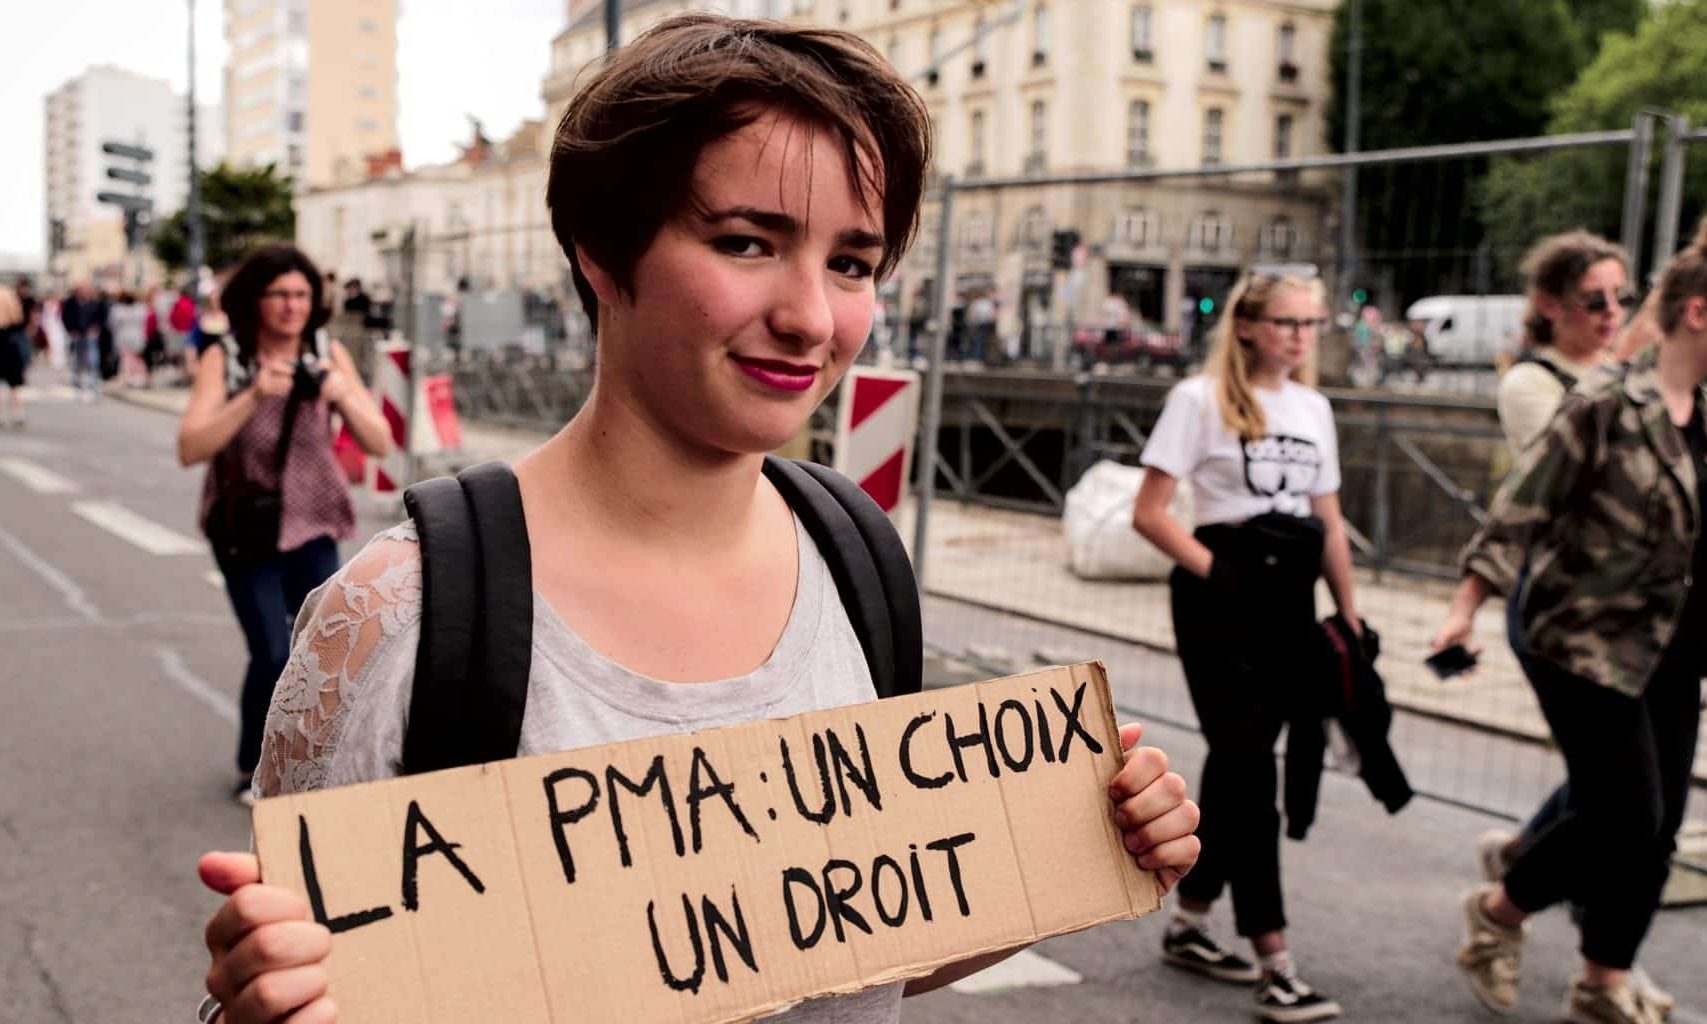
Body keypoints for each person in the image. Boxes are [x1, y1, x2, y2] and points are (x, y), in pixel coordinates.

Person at [193, 17, 1202, 1024]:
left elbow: (833, 944)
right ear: (599, 249)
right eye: (747, 242)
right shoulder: (397, 616)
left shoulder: (855, 558)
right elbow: (328, 983)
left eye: (852, 263)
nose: (811, 315)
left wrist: (1062, 856)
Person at [1435, 212, 1707, 1024]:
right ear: (1698, 314)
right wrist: (1463, 611)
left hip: (1670, 649)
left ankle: (1601, 981)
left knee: (1658, 833)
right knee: (1627, 813)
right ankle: (1498, 912)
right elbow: (1520, 509)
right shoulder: (1604, 402)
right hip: (1580, 641)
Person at [1132, 269, 1358, 1023]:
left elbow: (1328, 520)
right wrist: (1221, 576)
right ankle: (1276, 963)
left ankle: (1192, 923)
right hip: (1221, 598)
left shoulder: (1315, 407)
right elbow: (1151, 512)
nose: (1301, 335)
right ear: (1251, 326)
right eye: (1288, 321)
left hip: (1291, 599)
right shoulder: (1198, 401)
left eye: (1312, 323)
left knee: (1238, 769)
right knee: (1250, 773)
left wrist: (1349, 613)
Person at [177, 244, 394, 807]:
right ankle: (254, 766)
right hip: (245, 524)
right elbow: (190, 446)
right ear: (256, 299)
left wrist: (343, 393)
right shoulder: (227, 356)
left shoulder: (326, 351)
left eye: (301, 294)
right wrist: (253, 396)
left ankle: (313, 766)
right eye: (280, 294)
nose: (293, 306)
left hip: (315, 520)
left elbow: (380, 443)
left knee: (319, 656)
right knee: (272, 651)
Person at [1497, 231, 1631, 454]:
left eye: (1622, 296)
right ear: (1549, 305)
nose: (1612, 310)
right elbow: (1567, 462)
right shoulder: (1530, 380)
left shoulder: (1626, 366)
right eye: (1594, 300)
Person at [61, 280, 106, 401]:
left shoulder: (95, 302)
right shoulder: (71, 303)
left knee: (93, 361)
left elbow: (101, 317)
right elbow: (65, 317)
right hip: (77, 336)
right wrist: (70, 330)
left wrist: (96, 329)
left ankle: (95, 389)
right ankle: (79, 388)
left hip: (90, 336)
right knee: (78, 363)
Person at [107, 287, 150, 388]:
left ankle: (131, 377)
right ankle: (137, 378)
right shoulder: (140, 308)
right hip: (137, 335)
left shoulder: (118, 309)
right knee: (136, 358)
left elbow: (112, 324)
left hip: (124, 336)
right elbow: (144, 321)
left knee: (127, 358)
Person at [0, 282, 26, 427]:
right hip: (7, 337)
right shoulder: (7, 293)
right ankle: (17, 413)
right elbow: (17, 317)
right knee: (14, 381)